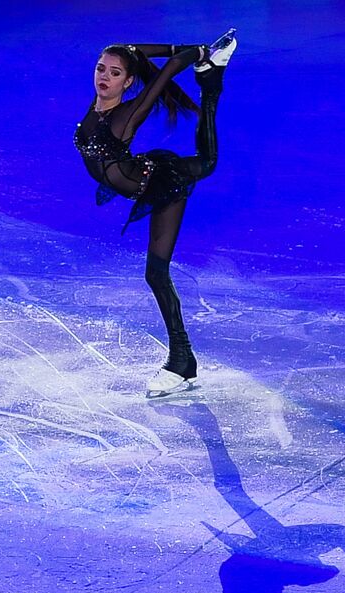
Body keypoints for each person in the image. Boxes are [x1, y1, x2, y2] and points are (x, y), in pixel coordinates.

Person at [73, 30, 237, 398]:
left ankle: (182, 362)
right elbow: (130, 49)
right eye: (101, 69)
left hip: (160, 186)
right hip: (143, 170)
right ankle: (211, 81)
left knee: (155, 272)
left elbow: (167, 72)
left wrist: (191, 53)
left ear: (129, 82)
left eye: (115, 74)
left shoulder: (126, 115)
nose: (105, 77)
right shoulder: (101, 105)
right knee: (204, 164)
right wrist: (171, 48)